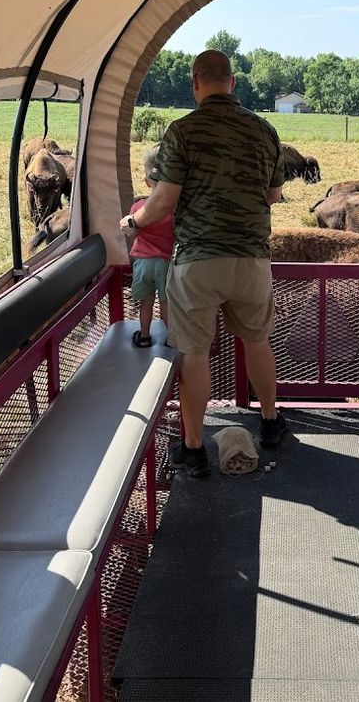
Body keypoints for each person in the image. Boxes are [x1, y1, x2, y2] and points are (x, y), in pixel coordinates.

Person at [120, 50, 287, 478]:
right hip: (251, 259)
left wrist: (135, 221)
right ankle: (270, 423)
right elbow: (272, 195)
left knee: (194, 354)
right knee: (257, 340)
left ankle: (193, 449)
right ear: (232, 83)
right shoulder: (265, 130)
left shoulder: (182, 131)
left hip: (197, 261)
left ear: (195, 84)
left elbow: (163, 201)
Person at [123, 147, 174, 348]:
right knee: (165, 303)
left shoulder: (138, 207)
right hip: (165, 262)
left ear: (147, 182)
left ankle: (144, 335)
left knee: (146, 302)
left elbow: (133, 231)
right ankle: (170, 338)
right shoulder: (172, 208)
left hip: (143, 263)